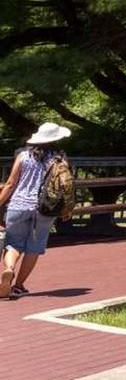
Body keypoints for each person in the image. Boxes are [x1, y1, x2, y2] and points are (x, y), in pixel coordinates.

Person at [0, 122, 73, 299]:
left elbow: (10, 184)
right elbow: (66, 186)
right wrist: (67, 208)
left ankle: (9, 269)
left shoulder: (23, 156)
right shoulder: (60, 160)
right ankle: (18, 286)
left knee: (13, 243)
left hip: (18, 205)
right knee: (34, 246)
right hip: (45, 208)